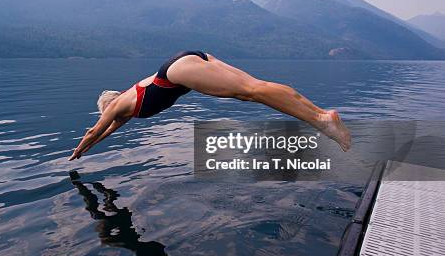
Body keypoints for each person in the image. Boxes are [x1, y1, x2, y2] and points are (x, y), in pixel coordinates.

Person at [69, 50, 351, 161]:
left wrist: (76, 153)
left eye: (104, 113)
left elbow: (95, 132)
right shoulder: (125, 108)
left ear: (105, 106)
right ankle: (321, 116)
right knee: (250, 90)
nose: (107, 118)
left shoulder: (115, 107)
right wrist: (89, 147)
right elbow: (105, 133)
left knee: (252, 91)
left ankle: (322, 119)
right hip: (187, 61)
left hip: (177, 72)